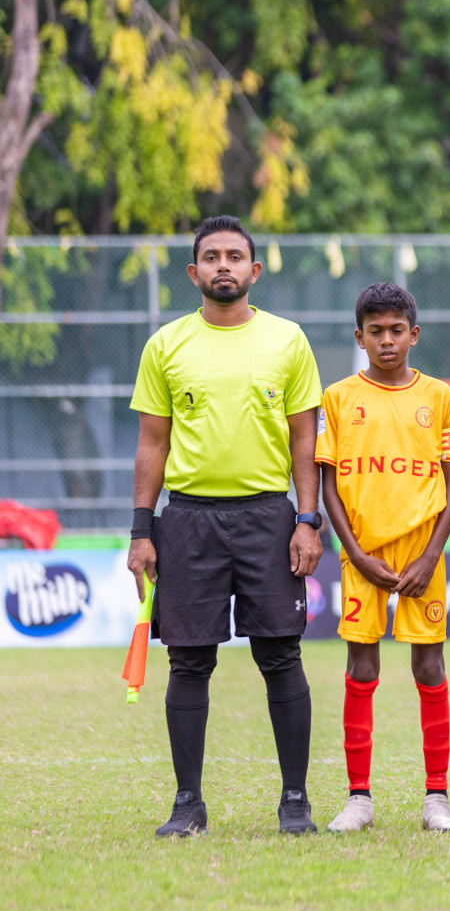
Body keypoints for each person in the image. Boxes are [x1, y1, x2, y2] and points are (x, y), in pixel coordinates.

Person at [127, 215, 324, 837]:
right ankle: (188, 803)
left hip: (268, 516)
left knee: (280, 655)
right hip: (187, 520)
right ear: (193, 272)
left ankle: (295, 799)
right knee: (188, 662)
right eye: (210, 257)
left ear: (254, 270)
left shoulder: (288, 341)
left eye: (235, 256)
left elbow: (304, 440)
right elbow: (152, 444)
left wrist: (307, 519)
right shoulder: (165, 345)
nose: (223, 266)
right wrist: (141, 531)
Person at [317, 283, 450, 833]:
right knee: (362, 665)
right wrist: (353, 552)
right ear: (359, 337)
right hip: (364, 554)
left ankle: (437, 798)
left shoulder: (438, 397)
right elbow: (328, 487)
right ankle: (359, 798)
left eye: (396, 331)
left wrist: (430, 556)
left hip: (421, 553)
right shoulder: (338, 398)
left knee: (429, 665)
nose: (386, 341)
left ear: (414, 334)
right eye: (375, 332)